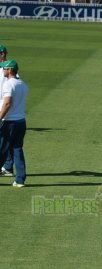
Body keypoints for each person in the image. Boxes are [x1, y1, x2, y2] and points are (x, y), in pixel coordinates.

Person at [0, 59, 29, 187]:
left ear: (10, 70)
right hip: (21, 122)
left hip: (9, 123)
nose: (3, 70)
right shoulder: (22, 84)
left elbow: (7, 103)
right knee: (17, 149)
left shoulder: (8, 84)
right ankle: (20, 180)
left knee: (1, 149)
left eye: (5, 69)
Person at [0, 44, 15, 177]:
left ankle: (8, 166)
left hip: (3, 108)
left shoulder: (8, 68)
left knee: (4, 139)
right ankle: (8, 166)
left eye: (3, 53)